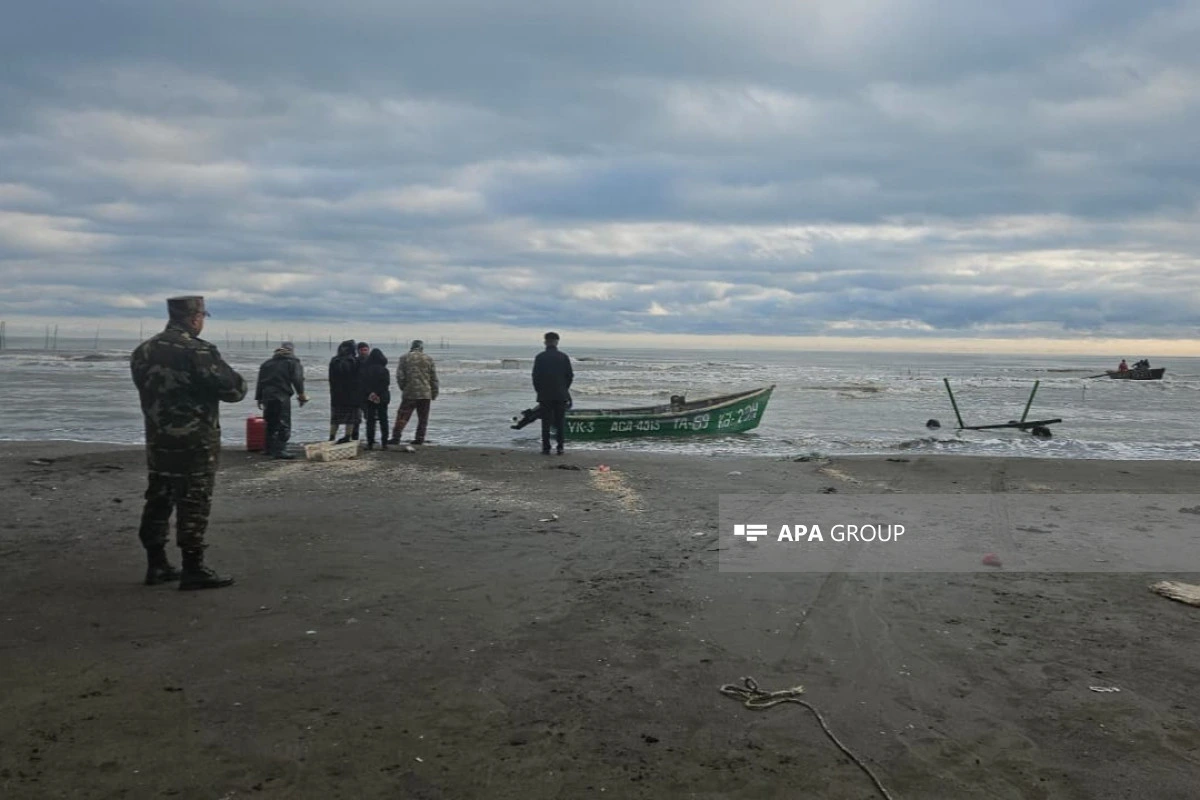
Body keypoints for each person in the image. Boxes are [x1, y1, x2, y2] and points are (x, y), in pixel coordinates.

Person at [130, 296, 246, 590]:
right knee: (194, 499)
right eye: (203, 315)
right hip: (195, 440)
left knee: (159, 496)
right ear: (195, 317)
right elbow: (233, 390)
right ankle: (193, 566)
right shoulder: (199, 351)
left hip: (158, 439)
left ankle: (156, 564)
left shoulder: (143, 351)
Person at [255, 341, 308, 459]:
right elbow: (297, 379)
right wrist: (301, 395)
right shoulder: (293, 362)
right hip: (281, 395)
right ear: (292, 350)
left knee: (270, 422)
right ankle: (280, 449)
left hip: (267, 395)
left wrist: (259, 398)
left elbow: (260, 382)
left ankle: (268, 449)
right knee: (283, 422)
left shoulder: (267, 364)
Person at [389, 339, 439, 445]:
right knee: (423, 418)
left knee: (402, 416)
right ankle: (420, 438)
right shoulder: (428, 359)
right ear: (422, 347)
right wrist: (434, 393)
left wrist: (404, 388)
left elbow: (400, 376)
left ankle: (396, 437)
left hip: (409, 392)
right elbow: (433, 378)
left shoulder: (404, 358)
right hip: (425, 393)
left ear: (411, 347)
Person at [532, 331, 573, 455]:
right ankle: (560, 447)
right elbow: (570, 376)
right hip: (561, 394)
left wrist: (539, 390)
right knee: (560, 422)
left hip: (545, 395)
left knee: (546, 422)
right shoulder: (563, 357)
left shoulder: (540, 357)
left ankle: (546, 448)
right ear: (557, 342)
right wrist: (564, 388)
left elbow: (535, 377)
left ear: (545, 342)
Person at [328, 339, 361, 443]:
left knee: (335, 418)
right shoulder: (355, 361)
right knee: (350, 418)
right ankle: (347, 436)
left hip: (336, 394)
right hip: (352, 395)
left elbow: (331, 379)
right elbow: (359, 378)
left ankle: (331, 437)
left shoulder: (334, 360)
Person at [360, 348, 391, 450]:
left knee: (370, 420)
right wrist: (377, 393)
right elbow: (385, 384)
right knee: (383, 420)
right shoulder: (384, 370)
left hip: (369, 398)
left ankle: (370, 443)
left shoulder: (365, 370)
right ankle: (384, 443)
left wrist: (371, 394)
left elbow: (363, 384)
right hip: (382, 397)